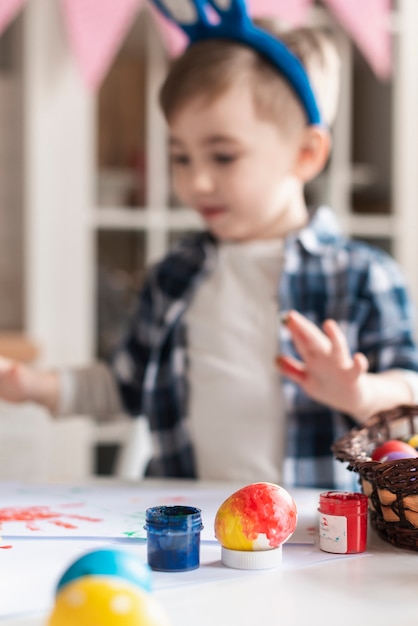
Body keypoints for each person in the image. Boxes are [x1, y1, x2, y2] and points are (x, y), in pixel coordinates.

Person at [1, 2, 418, 489]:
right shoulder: (174, 274)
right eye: (180, 156)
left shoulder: (363, 275)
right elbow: (123, 385)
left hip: (318, 533)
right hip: (193, 530)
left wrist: (360, 391)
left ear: (306, 153)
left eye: (223, 155)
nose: (196, 180)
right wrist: (30, 385)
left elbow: (410, 391)